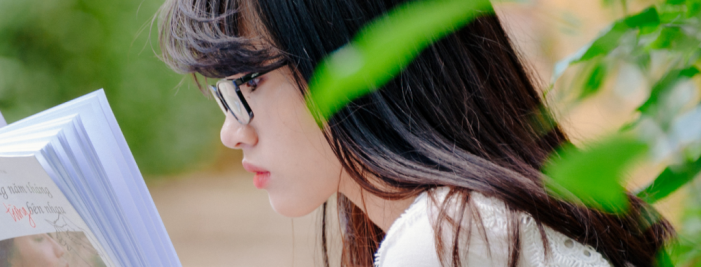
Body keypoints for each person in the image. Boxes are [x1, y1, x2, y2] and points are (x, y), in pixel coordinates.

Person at [154, 0, 673, 266]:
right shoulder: (474, 221)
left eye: (247, 82)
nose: (232, 132)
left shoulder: (448, 238)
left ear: (351, 57)